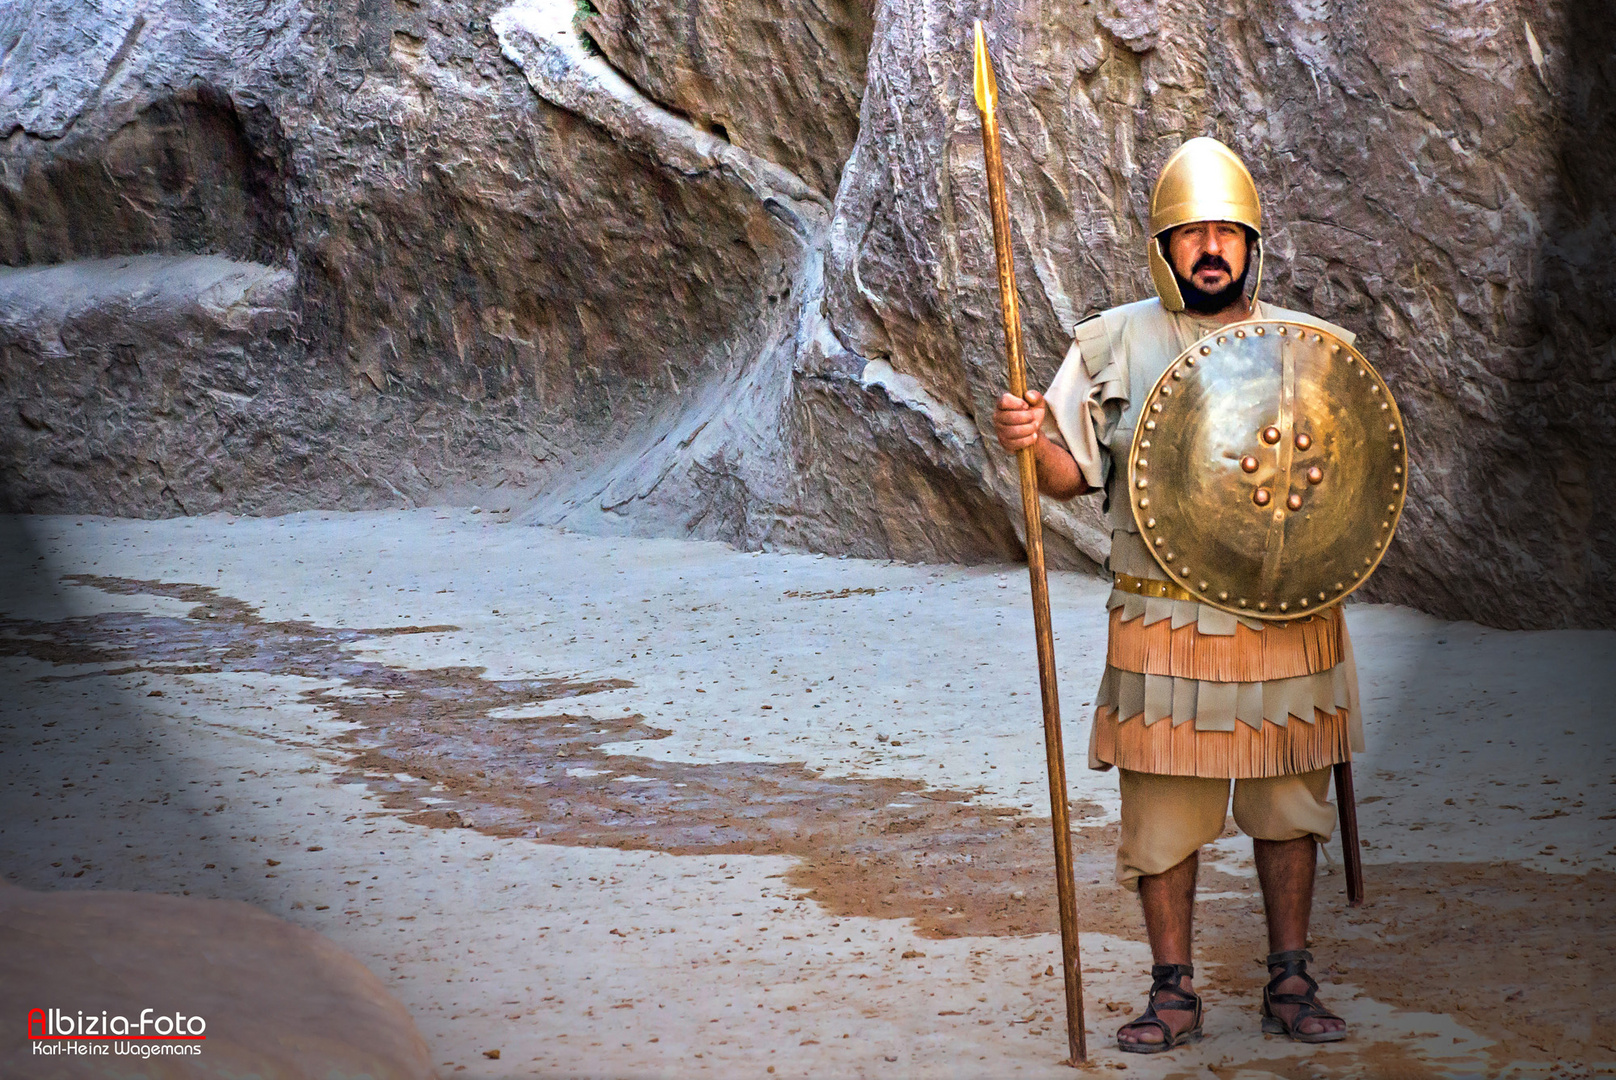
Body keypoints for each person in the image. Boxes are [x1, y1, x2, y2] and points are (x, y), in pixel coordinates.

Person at [992, 137, 1358, 1054]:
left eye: (1224, 234)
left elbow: (1349, 488)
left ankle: (1290, 976)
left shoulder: (1313, 348)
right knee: (1162, 816)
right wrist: (1030, 436)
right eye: (1189, 233)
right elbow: (1069, 478)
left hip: (1285, 620)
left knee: (1287, 806)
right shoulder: (1111, 342)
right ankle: (1174, 990)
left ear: (1251, 245)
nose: (1208, 249)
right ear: (1164, 246)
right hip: (1163, 623)